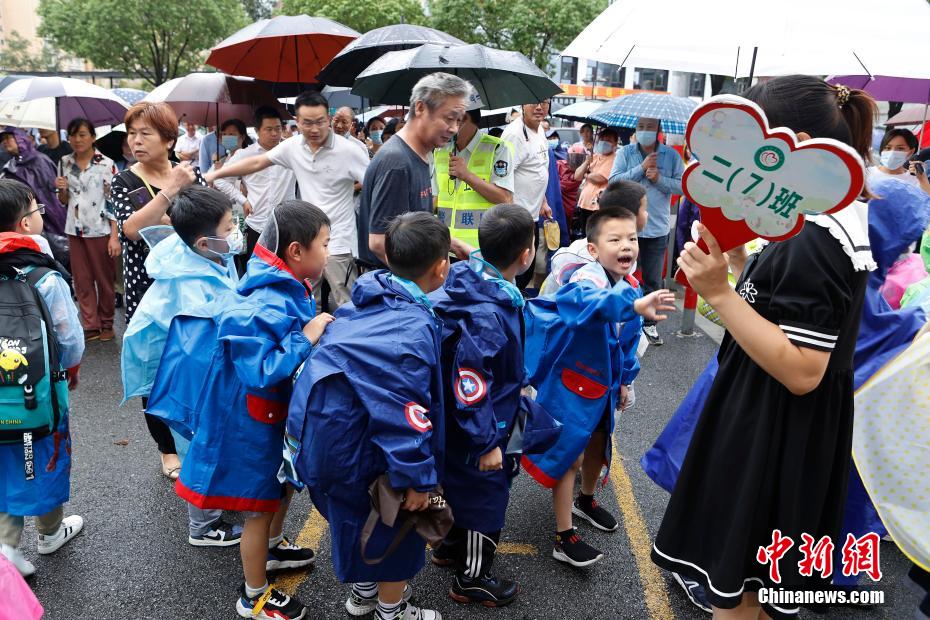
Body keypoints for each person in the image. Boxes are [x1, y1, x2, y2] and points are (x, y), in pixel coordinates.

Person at [650, 76, 878, 620]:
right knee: (754, 589)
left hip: (774, 428)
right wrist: (739, 269)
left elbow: (803, 369)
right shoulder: (812, 218)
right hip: (780, 425)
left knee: (741, 587)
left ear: (791, 144)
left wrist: (718, 293)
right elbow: (789, 313)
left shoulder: (817, 235)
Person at [148, 200, 332, 620]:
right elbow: (261, 370)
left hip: (271, 418)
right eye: (325, 243)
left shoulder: (285, 282)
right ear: (297, 251)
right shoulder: (265, 299)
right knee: (257, 506)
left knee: (281, 485)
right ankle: (254, 595)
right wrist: (309, 333)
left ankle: (273, 548)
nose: (329, 250)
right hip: (250, 424)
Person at [288, 211, 450, 620]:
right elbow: (404, 416)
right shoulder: (409, 332)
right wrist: (416, 479)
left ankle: (362, 595)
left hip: (323, 444)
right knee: (396, 532)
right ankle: (391, 611)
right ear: (442, 265)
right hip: (364, 452)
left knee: (352, 522)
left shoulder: (363, 301)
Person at [524, 207, 674, 567]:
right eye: (615, 239)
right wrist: (634, 305)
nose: (627, 246)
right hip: (569, 385)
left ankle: (586, 500)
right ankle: (564, 536)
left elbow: (627, 340)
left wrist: (625, 380)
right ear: (593, 249)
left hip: (603, 386)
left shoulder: (632, 285)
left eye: (633, 239)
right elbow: (587, 306)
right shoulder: (583, 279)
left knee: (598, 444)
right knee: (568, 455)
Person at [430, 204, 559, 607]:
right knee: (487, 501)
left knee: (457, 484)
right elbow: (472, 385)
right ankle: (472, 578)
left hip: (453, 421)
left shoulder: (470, 275)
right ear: (526, 256)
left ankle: (450, 545)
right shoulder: (491, 312)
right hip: (485, 426)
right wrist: (487, 442)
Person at [121, 186, 244, 548]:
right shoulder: (192, 288)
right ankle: (203, 525)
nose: (235, 231)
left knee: (207, 442)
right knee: (199, 443)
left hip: (193, 370)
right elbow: (218, 331)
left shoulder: (197, 254)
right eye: (227, 227)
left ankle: (214, 500)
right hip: (190, 379)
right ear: (203, 242)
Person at [207, 92, 368, 310]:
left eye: (320, 122)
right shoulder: (293, 147)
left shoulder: (349, 150)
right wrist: (216, 175)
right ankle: (311, 342)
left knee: (345, 301)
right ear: (297, 122)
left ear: (328, 120)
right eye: (307, 123)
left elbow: (372, 184)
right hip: (305, 240)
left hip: (339, 241)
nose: (314, 129)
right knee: (308, 299)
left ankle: (348, 342)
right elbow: (257, 163)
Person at [110, 101, 202, 479]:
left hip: (192, 287)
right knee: (154, 369)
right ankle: (167, 448)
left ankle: (198, 437)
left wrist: (164, 210)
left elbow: (206, 221)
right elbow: (133, 229)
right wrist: (170, 195)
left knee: (194, 361)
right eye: (131, 133)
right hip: (148, 291)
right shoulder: (123, 180)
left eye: (145, 133)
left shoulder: (191, 173)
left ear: (168, 138)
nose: (135, 141)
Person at [0, 179, 84, 578]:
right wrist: (66, 369)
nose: (41, 214)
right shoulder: (43, 275)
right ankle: (50, 532)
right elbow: (70, 341)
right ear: (24, 224)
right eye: (36, 210)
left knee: (3, 458)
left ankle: (7, 545)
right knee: (43, 451)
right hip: (40, 393)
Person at [358, 72, 471, 270]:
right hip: (396, 292)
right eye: (449, 118)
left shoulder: (421, 155)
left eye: (459, 120)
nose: (454, 129)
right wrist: (426, 278)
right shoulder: (397, 162)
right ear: (420, 108)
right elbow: (379, 242)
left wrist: (452, 243)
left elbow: (414, 231)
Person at [609, 116, 684, 346]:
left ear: (658, 130)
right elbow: (613, 182)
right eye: (641, 127)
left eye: (650, 127)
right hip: (626, 227)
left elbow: (682, 185)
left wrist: (660, 179)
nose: (645, 131)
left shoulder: (671, 156)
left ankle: (649, 326)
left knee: (653, 279)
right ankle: (619, 323)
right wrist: (639, 169)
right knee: (620, 276)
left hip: (657, 228)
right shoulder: (625, 153)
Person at [54, 119, 120, 343]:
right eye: (72, 135)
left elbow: (113, 202)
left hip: (100, 229)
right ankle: (90, 324)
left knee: (104, 279)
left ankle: (107, 323)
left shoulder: (106, 164)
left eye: (82, 134)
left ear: (92, 137)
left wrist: (114, 236)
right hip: (74, 230)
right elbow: (63, 200)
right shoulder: (64, 162)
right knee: (81, 281)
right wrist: (61, 190)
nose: (77, 139)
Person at [213, 106, 296, 261]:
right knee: (251, 269)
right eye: (269, 129)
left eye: (278, 128)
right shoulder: (245, 155)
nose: (274, 134)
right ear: (257, 131)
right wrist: (243, 200)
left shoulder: (292, 150)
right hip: (255, 222)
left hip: (286, 225)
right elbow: (219, 179)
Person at [431, 108, 514, 247]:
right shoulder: (440, 150)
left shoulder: (498, 148)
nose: (450, 126)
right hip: (445, 245)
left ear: (469, 119)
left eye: (457, 120)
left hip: (481, 248)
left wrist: (467, 175)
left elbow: (505, 198)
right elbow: (435, 197)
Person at [501, 101, 553, 289]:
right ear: (522, 105)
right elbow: (502, 179)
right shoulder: (514, 134)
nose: (539, 107)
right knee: (517, 274)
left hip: (532, 216)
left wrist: (543, 201)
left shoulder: (539, 131)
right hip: (516, 219)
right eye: (533, 102)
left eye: (544, 102)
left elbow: (537, 169)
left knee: (527, 270)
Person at [0, 128, 69, 265]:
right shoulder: (9, 167)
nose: (5, 142)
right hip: (24, 225)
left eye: (9, 138)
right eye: (3, 139)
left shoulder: (40, 161)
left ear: (21, 138)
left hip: (51, 221)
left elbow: (51, 197)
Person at [574, 127, 620, 233]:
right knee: (584, 237)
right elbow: (577, 176)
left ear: (615, 144)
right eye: (602, 139)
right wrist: (586, 163)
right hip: (584, 203)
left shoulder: (615, 159)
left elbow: (600, 178)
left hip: (598, 206)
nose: (604, 142)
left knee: (596, 236)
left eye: (608, 140)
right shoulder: (593, 156)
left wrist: (586, 175)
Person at [867, 128, 930, 195]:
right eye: (888, 148)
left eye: (900, 148)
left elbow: (927, 202)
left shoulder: (915, 180)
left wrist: (923, 179)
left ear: (911, 152)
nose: (892, 152)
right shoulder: (867, 174)